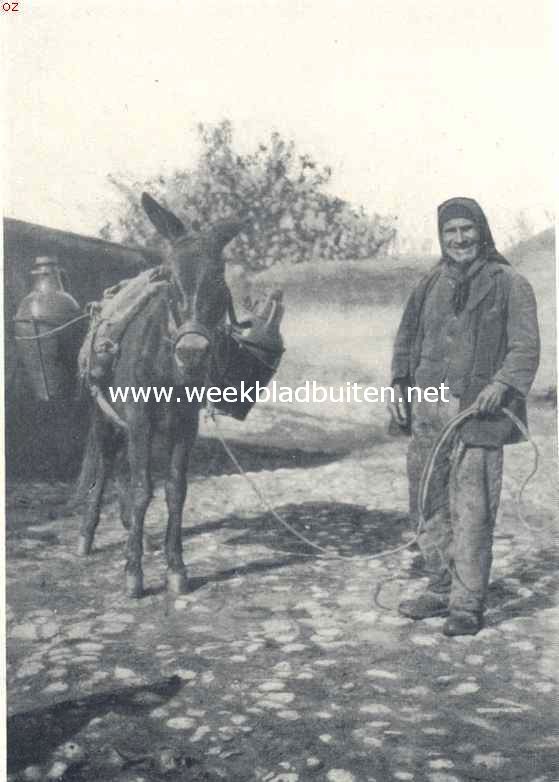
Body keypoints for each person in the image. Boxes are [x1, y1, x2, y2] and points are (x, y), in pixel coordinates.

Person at [388, 197, 540, 636]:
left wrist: (502, 385)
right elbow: (406, 338)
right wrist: (399, 382)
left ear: (482, 231)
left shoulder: (510, 283)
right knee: (427, 502)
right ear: (442, 237)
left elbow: (525, 347)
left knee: (473, 509)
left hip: (479, 413)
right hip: (429, 412)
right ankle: (439, 585)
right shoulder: (429, 284)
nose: (459, 239)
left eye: (466, 230)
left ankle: (466, 604)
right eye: (450, 232)